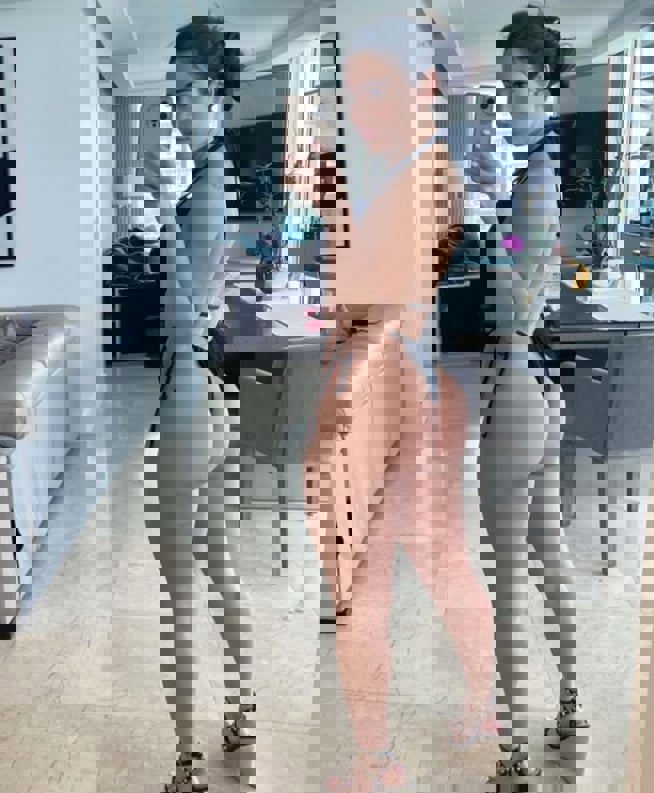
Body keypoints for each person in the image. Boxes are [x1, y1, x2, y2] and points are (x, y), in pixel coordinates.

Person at [302, 13, 496, 793]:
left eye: (376, 89)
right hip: (389, 383)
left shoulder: (424, 179)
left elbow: (374, 298)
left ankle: (386, 759)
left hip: (387, 388)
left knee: (382, 581)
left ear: (424, 87)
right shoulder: (393, 174)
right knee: (413, 570)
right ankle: (456, 720)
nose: (358, 107)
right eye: (352, 93)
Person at [138, 16, 256, 792]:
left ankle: (185, 765)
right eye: (174, 93)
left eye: (187, 92)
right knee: (217, 568)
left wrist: (158, 219)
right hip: (213, 399)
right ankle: (242, 711)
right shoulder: (220, 181)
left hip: (190, 399)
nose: (177, 107)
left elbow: (188, 314)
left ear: (216, 94)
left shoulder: (207, 189)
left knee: (180, 595)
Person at [476, 5, 590, 785]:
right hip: (541, 384)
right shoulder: (541, 171)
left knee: (508, 578)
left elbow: (517, 300)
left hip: (519, 379)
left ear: (549, 88)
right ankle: (571, 699)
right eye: (506, 87)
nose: (510, 101)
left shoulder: (535, 180)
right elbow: (534, 267)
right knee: (545, 549)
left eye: (520, 87)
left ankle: (513, 754)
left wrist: (491, 236)